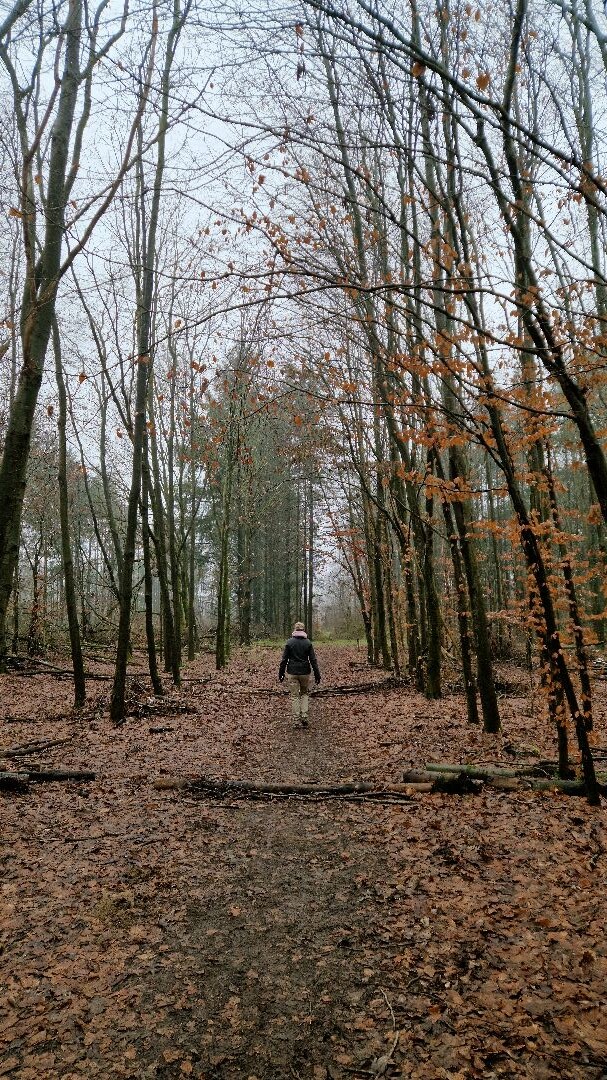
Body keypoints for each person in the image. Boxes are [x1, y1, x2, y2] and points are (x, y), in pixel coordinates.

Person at [278, 622, 321, 726]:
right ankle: (304, 716)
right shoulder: (308, 643)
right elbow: (313, 660)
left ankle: (296, 720)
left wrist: (281, 673)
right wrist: (317, 674)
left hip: (292, 672)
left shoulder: (289, 642)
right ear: (303, 630)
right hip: (305, 673)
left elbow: (284, 660)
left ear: (295, 630)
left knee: (295, 696)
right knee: (304, 694)